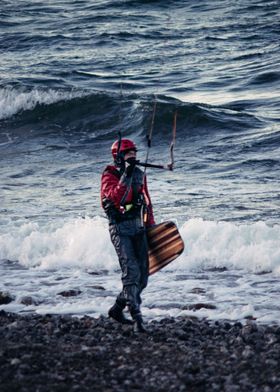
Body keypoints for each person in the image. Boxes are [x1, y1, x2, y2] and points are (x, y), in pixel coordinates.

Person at [100, 138, 155, 332]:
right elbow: (117, 197)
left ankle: (116, 309)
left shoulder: (140, 174)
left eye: (134, 153)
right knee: (131, 273)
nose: (133, 157)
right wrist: (127, 174)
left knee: (142, 277)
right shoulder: (109, 174)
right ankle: (137, 318)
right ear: (119, 158)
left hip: (138, 228)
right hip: (120, 229)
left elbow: (146, 201)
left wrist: (151, 228)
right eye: (128, 154)